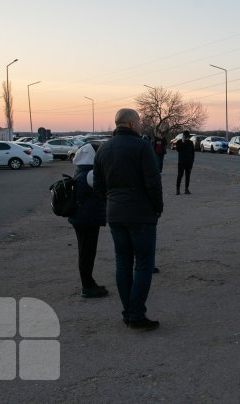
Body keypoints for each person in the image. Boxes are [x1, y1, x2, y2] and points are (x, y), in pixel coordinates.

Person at [94, 108, 163, 330]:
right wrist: (157, 208)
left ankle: (128, 312)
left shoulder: (103, 149)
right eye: (139, 121)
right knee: (144, 264)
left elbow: (98, 186)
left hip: (115, 213)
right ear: (132, 123)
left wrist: (109, 206)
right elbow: (153, 182)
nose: (141, 125)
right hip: (141, 214)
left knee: (123, 263)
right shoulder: (141, 146)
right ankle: (136, 314)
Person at [68, 143, 108, 298]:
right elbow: (103, 189)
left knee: (85, 251)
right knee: (87, 252)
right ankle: (87, 286)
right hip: (87, 219)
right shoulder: (91, 173)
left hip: (81, 217)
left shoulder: (81, 169)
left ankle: (89, 282)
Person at [176, 130, 195, 195]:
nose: (187, 138)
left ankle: (186, 189)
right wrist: (183, 142)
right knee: (180, 175)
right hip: (181, 162)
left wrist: (192, 162)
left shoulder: (190, 143)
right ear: (183, 136)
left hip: (188, 162)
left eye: (187, 136)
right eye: (185, 136)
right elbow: (178, 149)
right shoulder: (179, 142)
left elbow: (192, 153)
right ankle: (178, 190)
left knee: (187, 176)